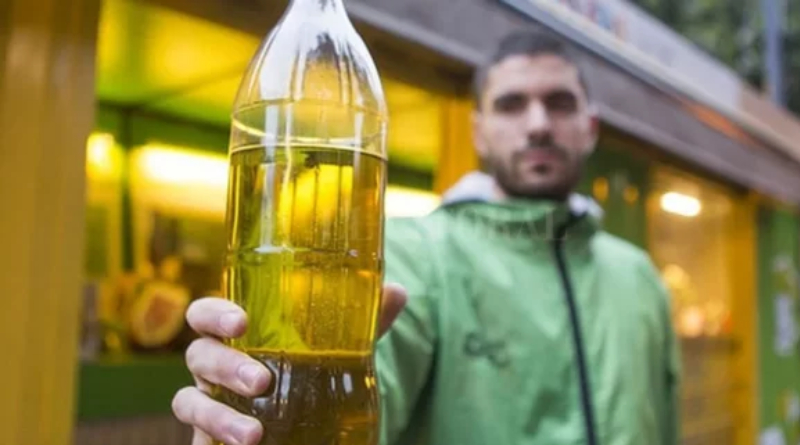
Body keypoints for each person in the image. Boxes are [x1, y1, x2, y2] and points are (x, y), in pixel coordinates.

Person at [171, 29, 681, 445]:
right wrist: (257, 414)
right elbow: (366, 398)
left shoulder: (639, 277)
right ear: (478, 130)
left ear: (590, 127)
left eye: (559, 103)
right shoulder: (415, 254)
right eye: (511, 105)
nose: (538, 124)